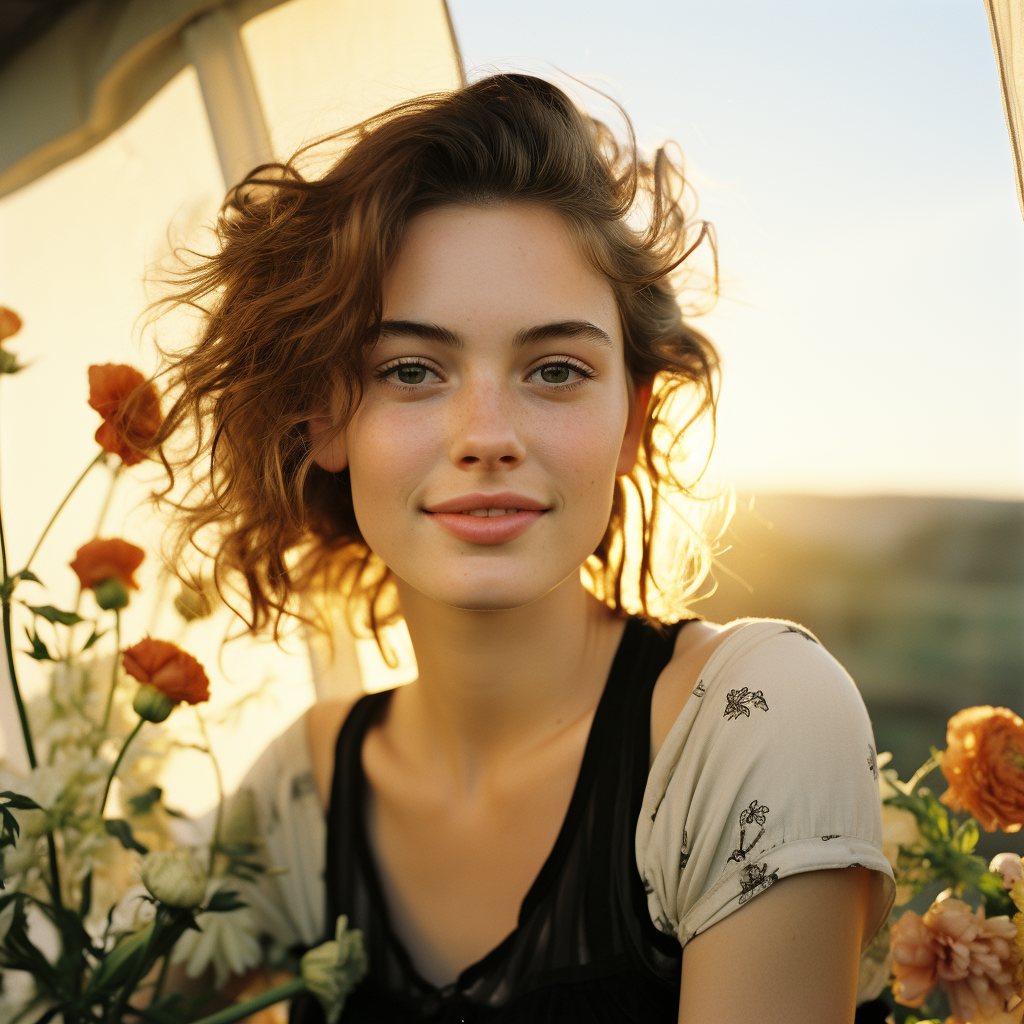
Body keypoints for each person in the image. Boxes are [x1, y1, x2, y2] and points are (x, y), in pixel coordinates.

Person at [156, 74, 895, 1023]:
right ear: (324, 419)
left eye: (556, 370)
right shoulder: (300, 789)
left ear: (632, 421)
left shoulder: (747, 722)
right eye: (412, 370)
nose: (488, 434)